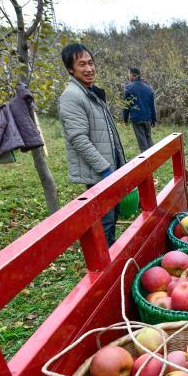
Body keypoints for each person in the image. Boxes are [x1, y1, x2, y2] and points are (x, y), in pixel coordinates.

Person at [57, 42, 126, 246]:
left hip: (109, 167)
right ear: (70, 69)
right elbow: (78, 139)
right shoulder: (72, 96)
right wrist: (104, 169)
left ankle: (111, 254)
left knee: (112, 215)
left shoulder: (91, 93)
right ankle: (104, 260)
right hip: (99, 172)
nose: (89, 69)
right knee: (104, 220)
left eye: (90, 63)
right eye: (82, 65)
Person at [122, 67, 157, 153]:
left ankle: (147, 160)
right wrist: (154, 119)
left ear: (133, 75)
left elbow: (126, 105)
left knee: (143, 144)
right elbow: (152, 105)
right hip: (148, 118)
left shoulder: (128, 87)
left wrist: (125, 119)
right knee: (148, 138)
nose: (129, 77)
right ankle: (155, 157)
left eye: (129, 74)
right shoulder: (148, 88)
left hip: (137, 118)